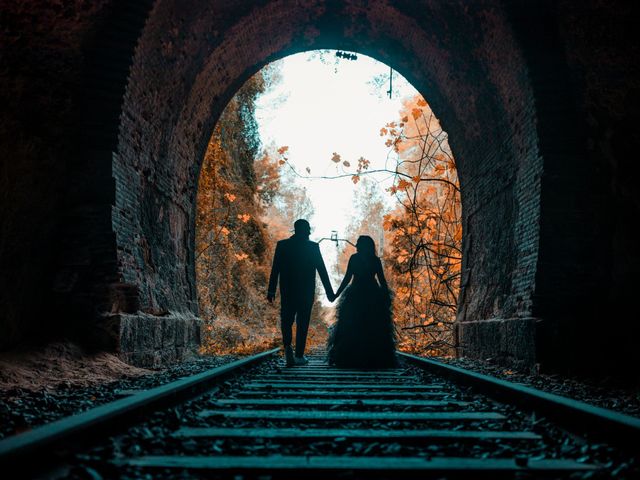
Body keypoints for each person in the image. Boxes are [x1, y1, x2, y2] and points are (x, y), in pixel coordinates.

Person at [268, 219, 335, 366]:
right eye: (308, 230)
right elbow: (322, 271)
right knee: (303, 322)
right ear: (306, 231)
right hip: (306, 291)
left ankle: (287, 348)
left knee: (286, 319)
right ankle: (299, 356)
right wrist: (330, 293)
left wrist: (271, 289)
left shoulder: (282, 245)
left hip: (288, 290)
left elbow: (275, 269)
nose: (309, 232)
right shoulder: (313, 247)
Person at [327, 235, 397, 368]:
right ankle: (373, 358)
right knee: (373, 327)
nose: (356, 245)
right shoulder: (375, 260)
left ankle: (350, 358)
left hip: (356, 295)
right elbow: (382, 280)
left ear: (363, 246)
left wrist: (336, 294)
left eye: (358, 243)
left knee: (351, 326)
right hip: (373, 296)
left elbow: (347, 278)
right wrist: (386, 297)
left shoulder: (355, 258)